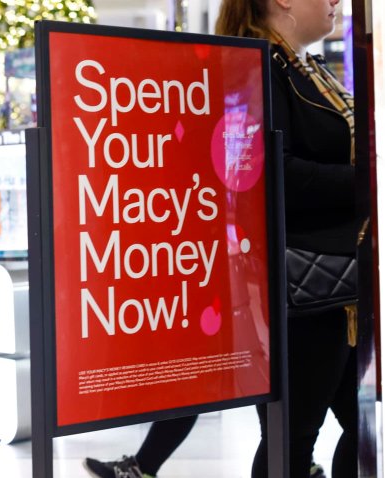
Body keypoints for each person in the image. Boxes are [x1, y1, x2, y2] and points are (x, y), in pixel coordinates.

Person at [216, 1, 358, 477]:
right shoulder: (255, 66)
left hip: (337, 277)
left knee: (358, 429)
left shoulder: (302, 68)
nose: (335, 1)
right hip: (299, 280)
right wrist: (366, 180)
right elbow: (269, 172)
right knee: (294, 436)